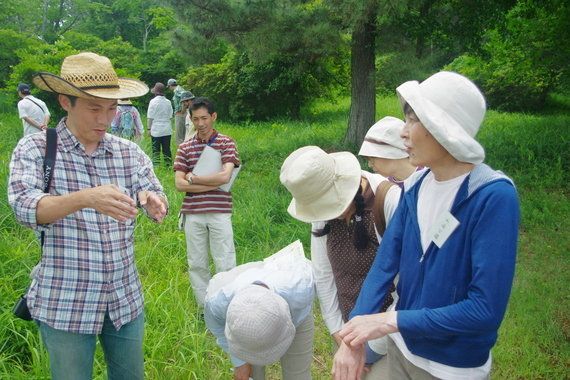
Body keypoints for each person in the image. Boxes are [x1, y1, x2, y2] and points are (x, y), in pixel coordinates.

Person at [332, 71, 520, 380]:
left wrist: (390, 321)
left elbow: (484, 310)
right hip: (401, 350)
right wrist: (355, 335)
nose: (403, 134)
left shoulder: (492, 197)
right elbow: (385, 264)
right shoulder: (416, 184)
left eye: (412, 121)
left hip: (451, 366)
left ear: (444, 129)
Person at [8, 52, 169, 380]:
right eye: (95, 108)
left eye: (112, 109)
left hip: (124, 297)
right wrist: (85, 199)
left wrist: (151, 199)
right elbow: (25, 208)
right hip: (66, 299)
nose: (105, 119)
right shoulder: (36, 149)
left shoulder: (128, 152)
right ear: (65, 101)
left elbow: (153, 190)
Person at [279, 146, 401, 377]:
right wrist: (339, 332)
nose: (330, 214)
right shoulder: (320, 213)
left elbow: (408, 286)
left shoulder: (388, 202)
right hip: (348, 334)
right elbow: (323, 274)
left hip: (391, 335)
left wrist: (370, 347)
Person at [205, 240, 314, 380]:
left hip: (298, 316)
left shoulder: (302, 286)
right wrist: (240, 363)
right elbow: (220, 331)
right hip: (243, 331)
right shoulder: (217, 301)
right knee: (251, 376)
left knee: (298, 375)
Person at [173, 97, 240, 309]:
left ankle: (228, 306)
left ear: (213, 117)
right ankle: (205, 308)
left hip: (219, 210)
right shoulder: (185, 147)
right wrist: (207, 182)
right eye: (195, 119)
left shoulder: (226, 143)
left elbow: (225, 177)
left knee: (225, 259)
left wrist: (194, 178)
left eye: (204, 118)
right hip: (192, 212)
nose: (200, 124)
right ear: (190, 119)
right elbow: (179, 185)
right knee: (197, 263)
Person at [358, 116, 420, 189]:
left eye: (372, 158)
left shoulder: (427, 179)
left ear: (392, 153)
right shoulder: (385, 186)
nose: (370, 165)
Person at [147, 82, 173, 166]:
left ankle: (156, 166)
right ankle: (168, 165)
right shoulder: (168, 102)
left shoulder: (152, 102)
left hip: (156, 129)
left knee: (156, 150)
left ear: (155, 92)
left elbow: (150, 117)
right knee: (167, 149)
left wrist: (148, 129)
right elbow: (170, 116)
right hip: (166, 129)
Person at [167, 78, 187, 146]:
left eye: (168, 87)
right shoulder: (180, 88)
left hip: (180, 114)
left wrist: (183, 111)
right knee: (184, 134)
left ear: (170, 85)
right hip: (182, 114)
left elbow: (185, 99)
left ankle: (181, 152)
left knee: (179, 136)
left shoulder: (177, 90)